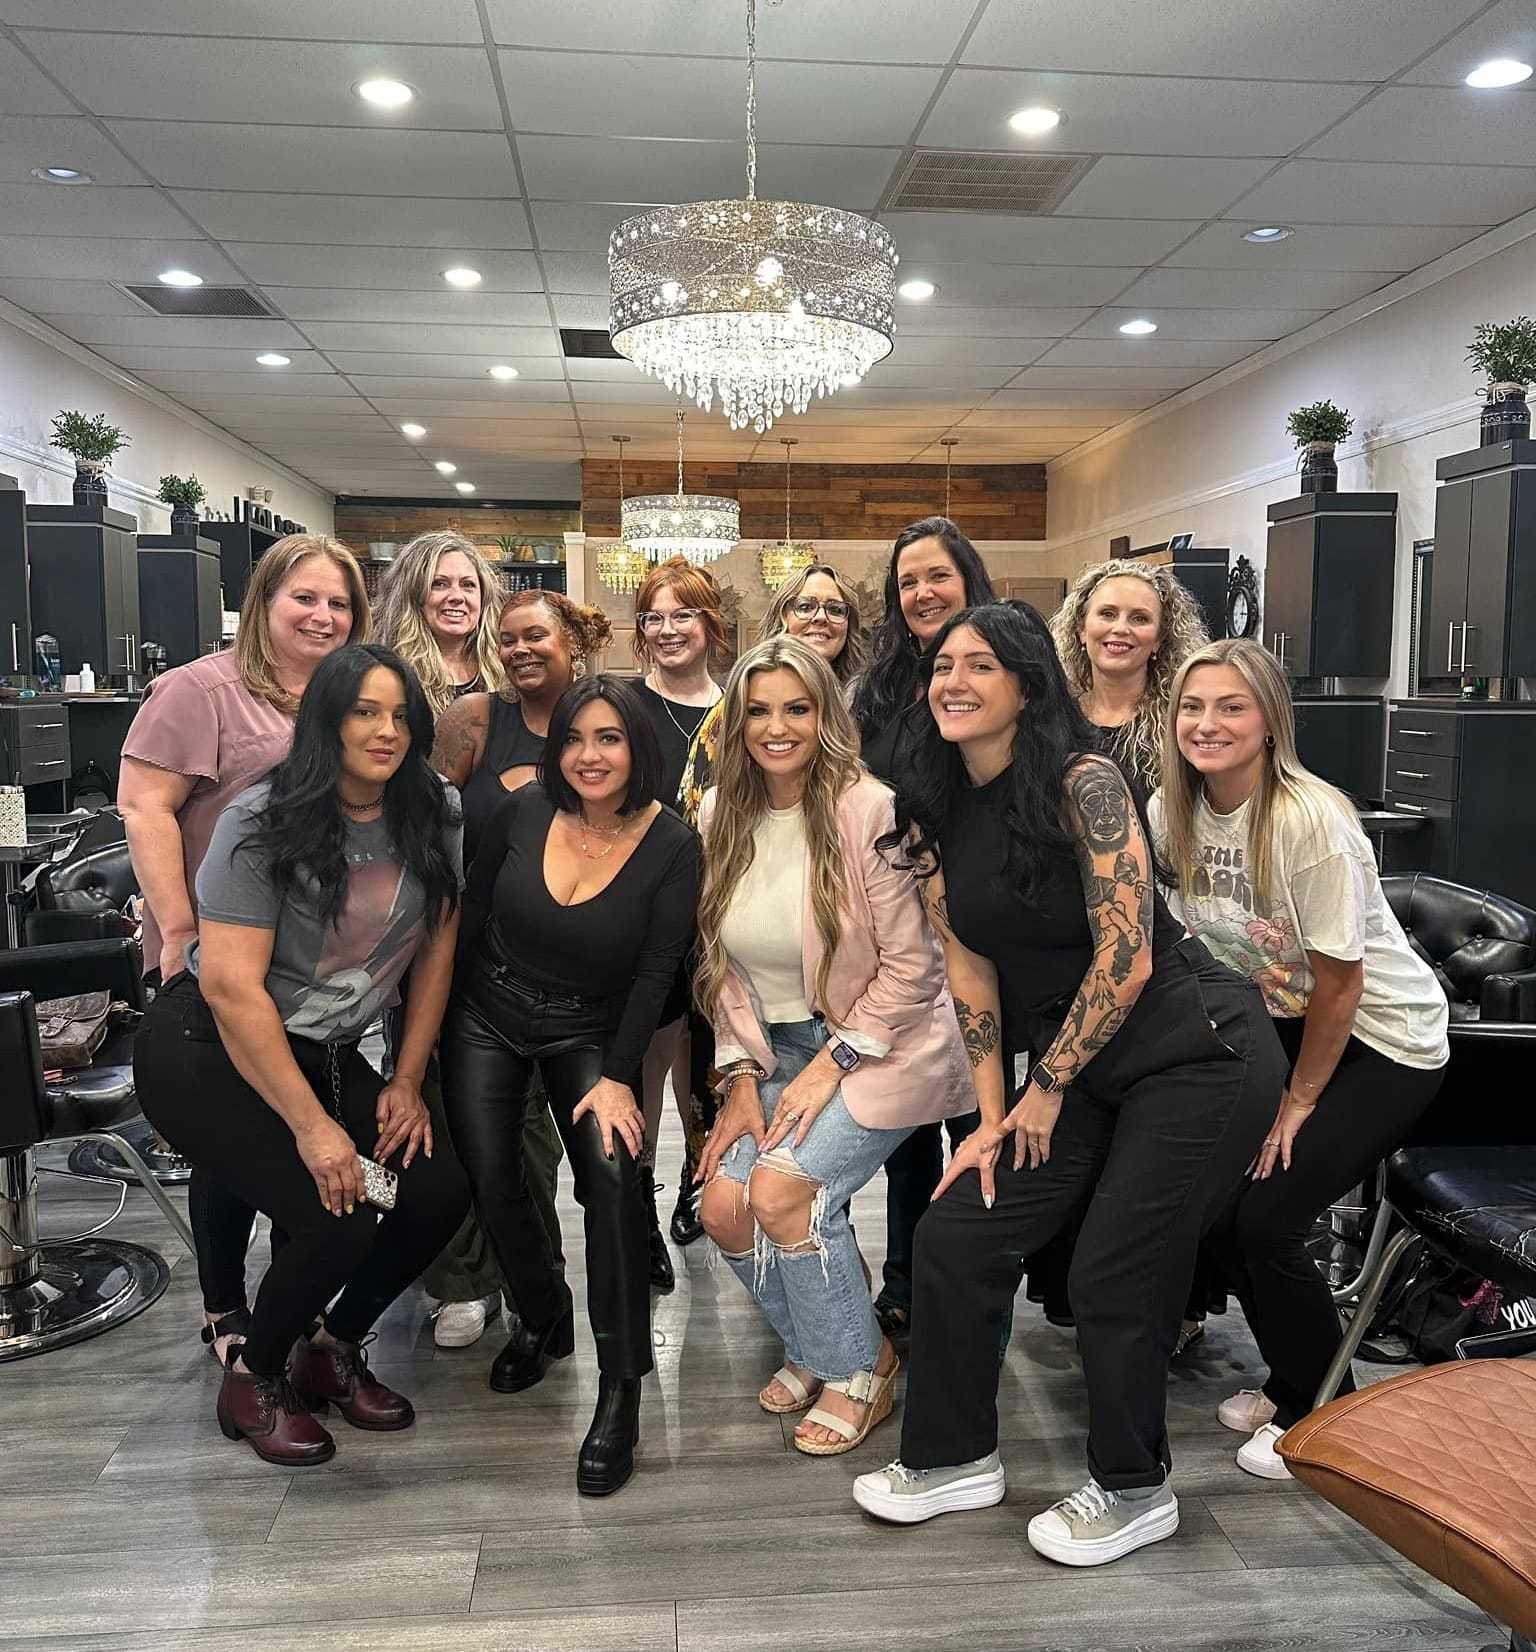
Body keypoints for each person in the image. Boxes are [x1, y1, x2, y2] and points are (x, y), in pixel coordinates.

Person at [851, 602, 1284, 1567]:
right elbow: (968, 967)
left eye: (980, 665)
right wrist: (993, 1117)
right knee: (959, 1227)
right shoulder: (932, 800)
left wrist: (1046, 1084)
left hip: (1193, 1050)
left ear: (1027, 685)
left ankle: (1136, 1490)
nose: (953, 681)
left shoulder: (1083, 782)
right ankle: (956, 1457)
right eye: (941, 666)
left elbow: (1127, 957)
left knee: (1114, 1270)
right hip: (1074, 1067)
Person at [133, 644, 470, 1467]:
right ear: (326, 718)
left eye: (400, 714)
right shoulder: (264, 818)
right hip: (206, 1047)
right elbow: (233, 990)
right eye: (364, 711)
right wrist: (317, 1128)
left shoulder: (435, 809)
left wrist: (407, 1078)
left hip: (321, 1045)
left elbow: (436, 951)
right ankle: (252, 1378)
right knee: (335, 1210)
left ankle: (332, 1344)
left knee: (435, 1190)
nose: (385, 730)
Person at [1151, 638, 1448, 1480]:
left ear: (1272, 721)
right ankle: (1291, 1379)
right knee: (1227, 1206)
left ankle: (1331, 1408)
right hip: (1285, 1026)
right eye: (1192, 707)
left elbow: (1343, 985)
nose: (1207, 725)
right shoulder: (1168, 809)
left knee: (1269, 1218)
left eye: (1231, 706)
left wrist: (1298, 1103)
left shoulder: (1308, 819)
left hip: (1382, 1040)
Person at [694, 636, 970, 1455]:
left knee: (783, 1194)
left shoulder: (868, 808)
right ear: (734, 721)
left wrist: (828, 1064)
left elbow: (915, 970)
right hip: (766, 1050)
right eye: (758, 710)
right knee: (722, 1205)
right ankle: (821, 1345)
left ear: (827, 715)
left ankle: (859, 1367)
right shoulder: (717, 815)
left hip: (884, 1045)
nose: (777, 728)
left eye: (798, 708)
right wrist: (741, 1075)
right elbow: (720, 969)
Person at [439, 675, 701, 1497]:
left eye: (610, 738)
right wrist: (428, 1040)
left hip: (593, 1026)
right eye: (576, 738)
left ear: (638, 749)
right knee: (488, 1172)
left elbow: (660, 971)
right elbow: (466, 920)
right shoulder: (522, 812)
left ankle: (620, 1385)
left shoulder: (673, 844)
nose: (590, 755)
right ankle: (543, 1308)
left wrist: (622, 1078)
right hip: (488, 1008)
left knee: (615, 1177)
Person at [119, 533, 368, 1367]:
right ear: (264, 599)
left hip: (308, 968)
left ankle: (292, 1304)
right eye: (305, 597)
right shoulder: (200, 690)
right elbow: (146, 808)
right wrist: (179, 928)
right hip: (219, 957)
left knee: (283, 1126)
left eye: (339, 602)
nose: (323, 615)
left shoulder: (344, 698)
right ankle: (227, 1308)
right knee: (230, 1140)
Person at [425, 589, 611, 1348]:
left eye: (536, 635)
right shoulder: (475, 720)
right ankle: (464, 1283)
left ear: (573, 640)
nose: (520, 649)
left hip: (564, 971)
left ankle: (537, 1280)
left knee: (535, 1139)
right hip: (463, 953)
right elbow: (423, 818)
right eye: (507, 639)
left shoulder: (600, 721)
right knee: (462, 1127)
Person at [1048, 557, 1211, 1344]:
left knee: (1147, 1141)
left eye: (1138, 618)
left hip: (1161, 938)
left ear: (1161, 633)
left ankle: (1164, 1304)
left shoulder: (1184, 714)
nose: (1119, 630)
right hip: (1062, 947)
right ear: (1079, 624)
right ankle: (1085, 1293)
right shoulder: (1051, 713)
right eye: (1105, 614)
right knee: (1082, 1123)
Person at [850, 517, 996, 1345]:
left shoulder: (998, 671)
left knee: (978, 1122)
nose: (922, 593)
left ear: (967, 579)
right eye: (908, 581)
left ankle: (971, 1289)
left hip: (981, 924)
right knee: (906, 1130)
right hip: (899, 930)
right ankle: (904, 1280)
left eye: (936, 575)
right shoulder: (879, 688)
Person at [629, 556, 730, 1285]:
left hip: (724, 921)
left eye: (682, 616)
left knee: (710, 1071)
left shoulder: (743, 708)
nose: (667, 630)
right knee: (644, 1070)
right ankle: (639, 1205)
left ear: (711, 625)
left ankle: (700, 1180)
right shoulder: (624, 708)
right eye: (654, 618)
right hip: (642, 921)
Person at [678, 560, 867, 823]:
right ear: (782, 617)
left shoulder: (869, 703)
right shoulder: (739, 699)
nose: (821, 617)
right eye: (805, 607)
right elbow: (697, 803)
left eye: (835, 609)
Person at [373, 530, 505, 713]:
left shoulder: (505, 666)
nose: (457, 597)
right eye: (439, 584)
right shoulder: (387, 674)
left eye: (468, 585)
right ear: (413, 595)